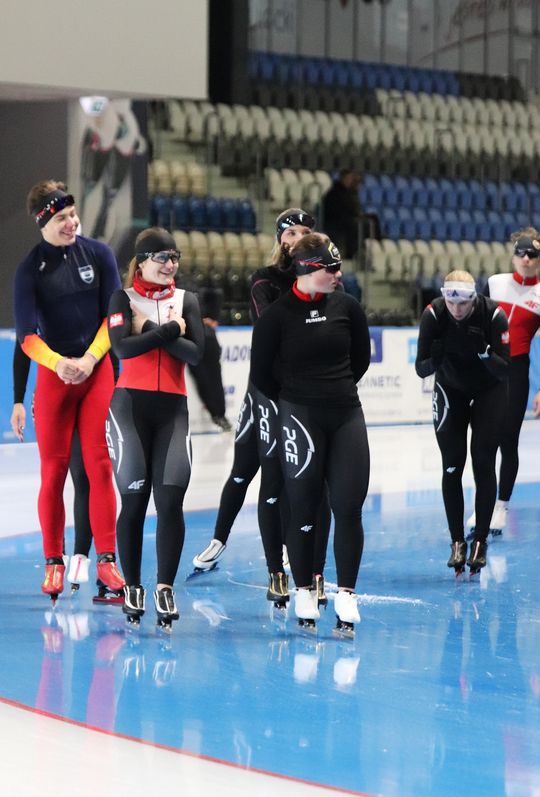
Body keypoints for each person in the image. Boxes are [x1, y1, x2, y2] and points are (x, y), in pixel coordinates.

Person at [192, 209, 331, 610]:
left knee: (290, 476)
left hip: (299, 393)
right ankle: (219, 539)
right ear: (280, 239)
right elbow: (272, 326)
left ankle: (291, 555)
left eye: (306, 231)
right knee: (244, 469)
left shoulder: (323, 278)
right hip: (264, 392)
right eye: (291, 232)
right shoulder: (264, 280)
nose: (297, 237)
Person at [250, 234, 371, 635]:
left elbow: (361, 360)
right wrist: (296, 398)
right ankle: (303, 588)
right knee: (302, 506)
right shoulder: (276, 316)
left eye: (339, 267)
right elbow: (261, 375)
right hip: (299, 415)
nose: (338, 274)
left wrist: (333, 389)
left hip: (345, 414)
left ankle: (347, 594)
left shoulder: (348, 308)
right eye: (330, 268)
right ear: (305, 270)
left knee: (348, 506)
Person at [13, 180, 125, 602]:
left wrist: (91, 360)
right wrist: (59, 364)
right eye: (61, 219)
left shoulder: (99, 254)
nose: (72, 223)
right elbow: (26, 337)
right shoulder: (29, 269)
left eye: (73, 215)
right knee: (54, 472)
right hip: (57, 377)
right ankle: (54, 562)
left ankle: (108, 561)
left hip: (95, 372)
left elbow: (112, 318)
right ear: (44, 221)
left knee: (98, 464)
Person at [106, 227, 205, 629]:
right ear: (141, 261)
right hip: (129, 408)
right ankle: (132, 584)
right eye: (161, 257)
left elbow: (195, 355)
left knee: (170, 503)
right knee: (133, 501)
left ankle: (164, 585)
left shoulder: (188, 300)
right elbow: (121, 349)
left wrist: (145, 328)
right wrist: (167, 331)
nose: (170, 264)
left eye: (175, 257)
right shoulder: (121, 299)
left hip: (172, 413)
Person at [415, 270, 510, 576]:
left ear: (474, 299)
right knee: (452, 464)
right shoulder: (433, 314)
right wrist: (435, 359)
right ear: (444, 297)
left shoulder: (494, 315)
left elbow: (505, 371)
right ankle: (457, 541)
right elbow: (420, 369)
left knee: (483, 462)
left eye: (464, 304)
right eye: (451, 303)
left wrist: (484, 352)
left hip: (489, 390)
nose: (456, 310)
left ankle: (480, 540)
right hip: (450, 389)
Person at [466, 229, 540, 536]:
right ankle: (481, 505)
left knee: (507, 439)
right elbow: (474, 323)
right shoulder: (495, 283)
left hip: (515, 371)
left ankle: (500, 506)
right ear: (513, 255)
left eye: (533, 255)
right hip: (484, 368)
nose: (526, 258)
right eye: (521, 253)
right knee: (483, 441)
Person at [320, 169, 381, 259]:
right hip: (336, 222)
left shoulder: (350, 192)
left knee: (373, 218)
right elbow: (337, 211)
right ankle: (352, 253)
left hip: (349, 218)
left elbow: (353, 209)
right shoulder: (334, 193)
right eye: (348, 178)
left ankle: (377, 245)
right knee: (355, 225)